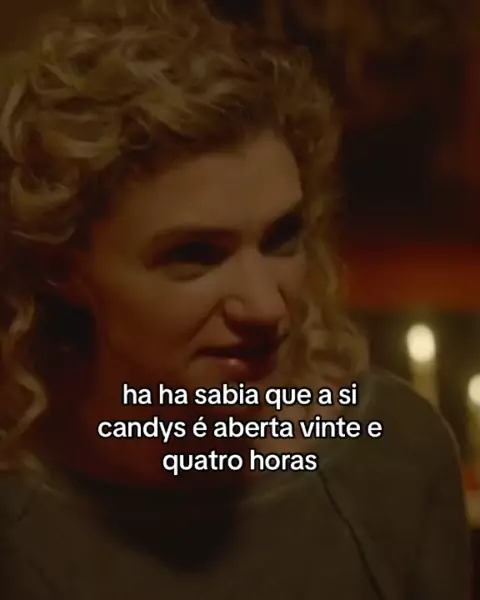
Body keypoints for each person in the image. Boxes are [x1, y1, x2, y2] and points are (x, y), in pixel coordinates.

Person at [0, 1, 471, 598]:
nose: (266, 308)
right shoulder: (19, 518)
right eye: (195, 254)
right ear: (63, 267)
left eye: (281, 238)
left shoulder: (391, 458)